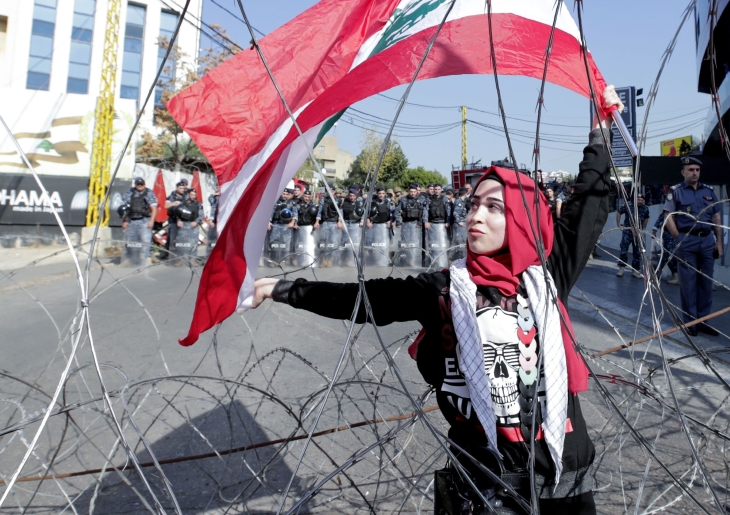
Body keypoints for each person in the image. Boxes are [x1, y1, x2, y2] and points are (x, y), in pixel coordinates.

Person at [251, 85, 623, 515]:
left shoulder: (547, 277)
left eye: (494, 208)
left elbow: (588, 204)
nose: (474, 216)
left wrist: (600, 132)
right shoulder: (445, 289)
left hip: (564, 479)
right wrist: (282, 289)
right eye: (473, 205)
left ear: (521, 220)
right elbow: (366, 299)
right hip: (485, 483)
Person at [664, 157, 723, 335]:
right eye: (691, 170)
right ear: (683, 172)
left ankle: (703, 321)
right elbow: (668, 217)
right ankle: (690, 323)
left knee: (706, 282)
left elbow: (716, 217)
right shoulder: (675, 191)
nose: (695, 173)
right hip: (687, 241)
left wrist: (719, 241)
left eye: (697, 170)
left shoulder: (709, 191)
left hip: (707, 241)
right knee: (688, 283)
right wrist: (679, 238)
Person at [120, 177, 158, 264]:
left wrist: (151, 221)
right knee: (130, 241)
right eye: (138, 184)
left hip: (144, 220)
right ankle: (130, 259)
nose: (140, 186)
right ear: (136, 184)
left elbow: (154, 208)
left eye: (142, 184)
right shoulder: (129, 192)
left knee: (145, 240)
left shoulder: (149, 193)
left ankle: (146, 258)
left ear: (144, 184)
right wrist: (124, 220)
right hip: (131, 220)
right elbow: (124, 208)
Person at [615, 194, 649, 279]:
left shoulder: (645, 208)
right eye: (638, 199)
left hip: (638, 232)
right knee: (624, 250)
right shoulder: (629, 205)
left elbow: (646, 217)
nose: (640, 201)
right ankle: (621, 268)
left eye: (641, 200)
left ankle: (635, 271)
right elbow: (619, 212)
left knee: (637, 252)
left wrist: (644, 228)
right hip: (628, 231)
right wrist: (619, 224)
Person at [424, 182, 453, 268]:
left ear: (441, 190)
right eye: (435, 189)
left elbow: (448, 211)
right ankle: (433, 262)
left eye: (438, 189)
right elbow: (426, 210)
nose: (436, 191)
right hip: (432, 224)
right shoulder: (429, 199)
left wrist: (448, 221)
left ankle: (443, 263)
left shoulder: (445, 199)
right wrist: (426, 221)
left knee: (443, 245)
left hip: (442, 225)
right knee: (433, 245)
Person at [396, 183, 425, 267]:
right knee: (406, 243)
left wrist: (420, 222)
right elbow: (397, 211)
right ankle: (405, 260)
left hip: (416, 225)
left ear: (417, 192)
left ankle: (413, 260)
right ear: (408, 191)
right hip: (405, 224)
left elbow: (423, 212)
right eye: (411, 191)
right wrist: (398, 221)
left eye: (414, 191)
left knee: (415, 243)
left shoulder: (421, 199)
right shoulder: (403, 199)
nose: (412, 193)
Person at [267, 188, 298, 267]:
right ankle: (273, 260)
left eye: (286, 194)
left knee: (286, 244)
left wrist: (292, 222)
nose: (284, 195)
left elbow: (295, 214)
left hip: (286, 226)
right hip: (276, 225)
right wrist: (269, 222)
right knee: (274, 243)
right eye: (283, 194)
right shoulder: (276, 202)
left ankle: (283, 260)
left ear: (289, 195)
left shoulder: (292, 203)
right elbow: (271, 213)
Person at [338, 186, 366, 266]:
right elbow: (341, 212)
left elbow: (362, 212)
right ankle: (343, 259)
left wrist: (362, 221)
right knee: (344, 243)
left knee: (355, 244)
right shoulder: (345, 203)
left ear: (356, 196)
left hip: (355, 224)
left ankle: (354, 260)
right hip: (346, 224)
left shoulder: (359, 203)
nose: (352, 197)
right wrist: (340, 221)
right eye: (350, 196)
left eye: (353, 196)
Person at [367, 186, 395, 266]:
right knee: (376, 244)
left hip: (385, 227)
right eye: (379, 193)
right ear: (377, 194)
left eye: (383, 193)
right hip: (375, 226)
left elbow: (393, 213)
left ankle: (385, 260)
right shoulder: (372, 202)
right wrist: (368, 222)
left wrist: (391, 220)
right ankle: (376, 260)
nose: (381, 195)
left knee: (385, 245)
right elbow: (367, 214)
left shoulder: (388, 202)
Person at [650, 209, 678, 283]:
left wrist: (666, 225)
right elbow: (659, 220)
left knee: (671, 257)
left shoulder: (678, 212)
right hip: (665, 239)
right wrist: (654, 231)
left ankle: (676, 276)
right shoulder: (665, 212)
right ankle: (657, 275)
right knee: (664, 257)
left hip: (673, 239)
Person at [164, 179, 189, 256]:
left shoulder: (186, 197)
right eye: (180, 188)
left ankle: (182, 255)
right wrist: (173, 203)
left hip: (184, 220)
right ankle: (171, 255)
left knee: (183, 239)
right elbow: (165, 206)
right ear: (177, 188)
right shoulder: (172, 196)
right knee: (172, 238)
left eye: (183, 188)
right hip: (173, 220)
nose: (182, 190)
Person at [296, 190, 319, 267]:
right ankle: (303, 260)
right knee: (302, 245)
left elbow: (317, 216)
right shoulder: (298, 205)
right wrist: (295, 224)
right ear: (303, 196)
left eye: (308, 197)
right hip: (301, 227)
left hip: (310, 227)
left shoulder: (314, 205)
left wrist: (316, 223)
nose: (306, 198)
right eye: (305, 196)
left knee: (310, 244)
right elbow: (295, 214)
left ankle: (310, 260)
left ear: (311, 197)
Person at [450, 185, 470, 261]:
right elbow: (455, 213)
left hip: (463, 223)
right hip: (459, 224)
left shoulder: (463, 201)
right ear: (465, 193)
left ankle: (462, 256)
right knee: (460, 242)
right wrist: (459, 222)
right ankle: (458, 258)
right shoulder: (459, 201)